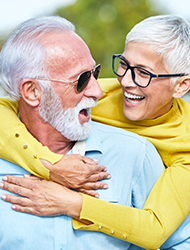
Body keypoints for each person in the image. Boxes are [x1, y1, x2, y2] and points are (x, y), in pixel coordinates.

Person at [0, 14, 190, 250]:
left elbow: (157, 230)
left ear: (181, 85)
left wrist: (73, 204)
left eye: (144, 73)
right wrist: (51, 164)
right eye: (124, 64)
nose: (124, 83)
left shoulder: (171, 150)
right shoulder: (111, 94)